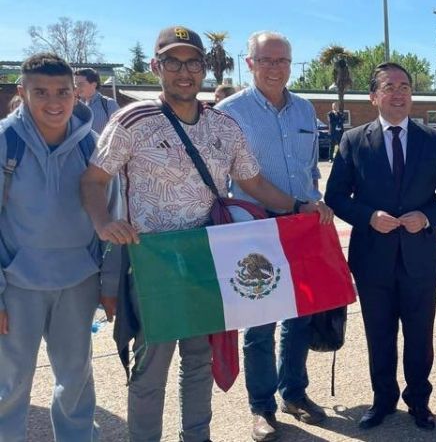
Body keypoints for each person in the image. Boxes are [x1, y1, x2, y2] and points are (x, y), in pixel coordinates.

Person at [80, 26, 329, 442]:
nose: (184, 72)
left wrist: (299, 206)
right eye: (173, 62)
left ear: (204, 69)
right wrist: (103, 223)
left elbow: (253, 184)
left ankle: (196, 437)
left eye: (192, 63)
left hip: (208, 257)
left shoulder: (223, 125)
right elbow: (92, 180)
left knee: (198, 362)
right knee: (150, 369)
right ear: (156, 66)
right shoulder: (132, 120)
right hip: (153, 260)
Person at [325, 62, 436, 431]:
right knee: (379, 333)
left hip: (419, 257)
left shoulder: (433, 140)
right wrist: (368, 216)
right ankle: (383, 399)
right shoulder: (353, 140)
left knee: (419, 335)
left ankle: (419, 401)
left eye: (404, 86)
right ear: (374, 97)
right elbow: (336, 196)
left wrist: (428, 217)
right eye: (389, 86)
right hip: (373, 258)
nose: (398, 93)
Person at [216, 31, 334, 441]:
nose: (275, 68)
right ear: (248, 64)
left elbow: (310, 167)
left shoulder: (304, 109)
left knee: (300, 315)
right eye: (266, 60)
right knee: (260, 323)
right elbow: (228, 175)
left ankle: (294, 392)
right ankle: (262, 408)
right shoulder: (229, 111)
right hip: (255, 226)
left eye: (282, 60)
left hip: (301, 223)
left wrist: (315, 201)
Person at [0, 53, 120, 442]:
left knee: (76, 380)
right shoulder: (5, 144)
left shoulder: (94, 146)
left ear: (77, 93)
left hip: (78, 283)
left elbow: (113, 215)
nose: (54, 102)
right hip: (16, 286)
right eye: (41, 92)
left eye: (63, 92)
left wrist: (110, 283)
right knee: (9, 385)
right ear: (22, 92)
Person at [74, 67, 120, 134]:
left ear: (94, 85)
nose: (77, 87)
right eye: (75, 84)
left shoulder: (109, 104)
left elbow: (120, 132)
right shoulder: (75, 106)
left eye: (81, 84)